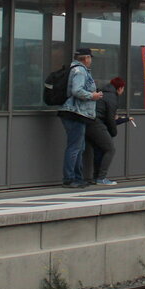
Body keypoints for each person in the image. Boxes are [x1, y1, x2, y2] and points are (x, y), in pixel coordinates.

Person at [58, 47, 103, 188]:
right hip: (75, 113)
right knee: (74, 147)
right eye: (90, 58)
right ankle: (69, 178)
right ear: (86, 58)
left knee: (79, 147)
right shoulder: (80, 71)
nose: (91, 61)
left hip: (77, 113)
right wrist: (92, 96)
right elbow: (76, 90)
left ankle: (77, 177)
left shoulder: (76, 69)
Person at [86, 76, 130, 186]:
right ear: (120, 88)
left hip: (88, 122)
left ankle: (96, 177)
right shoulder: (112, 97)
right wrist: (114, 132)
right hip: (96, 124)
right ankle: (101, 178)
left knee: (99, 150)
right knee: (110, 149)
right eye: (123, 89)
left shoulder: (103, 92)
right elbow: (110, 119)